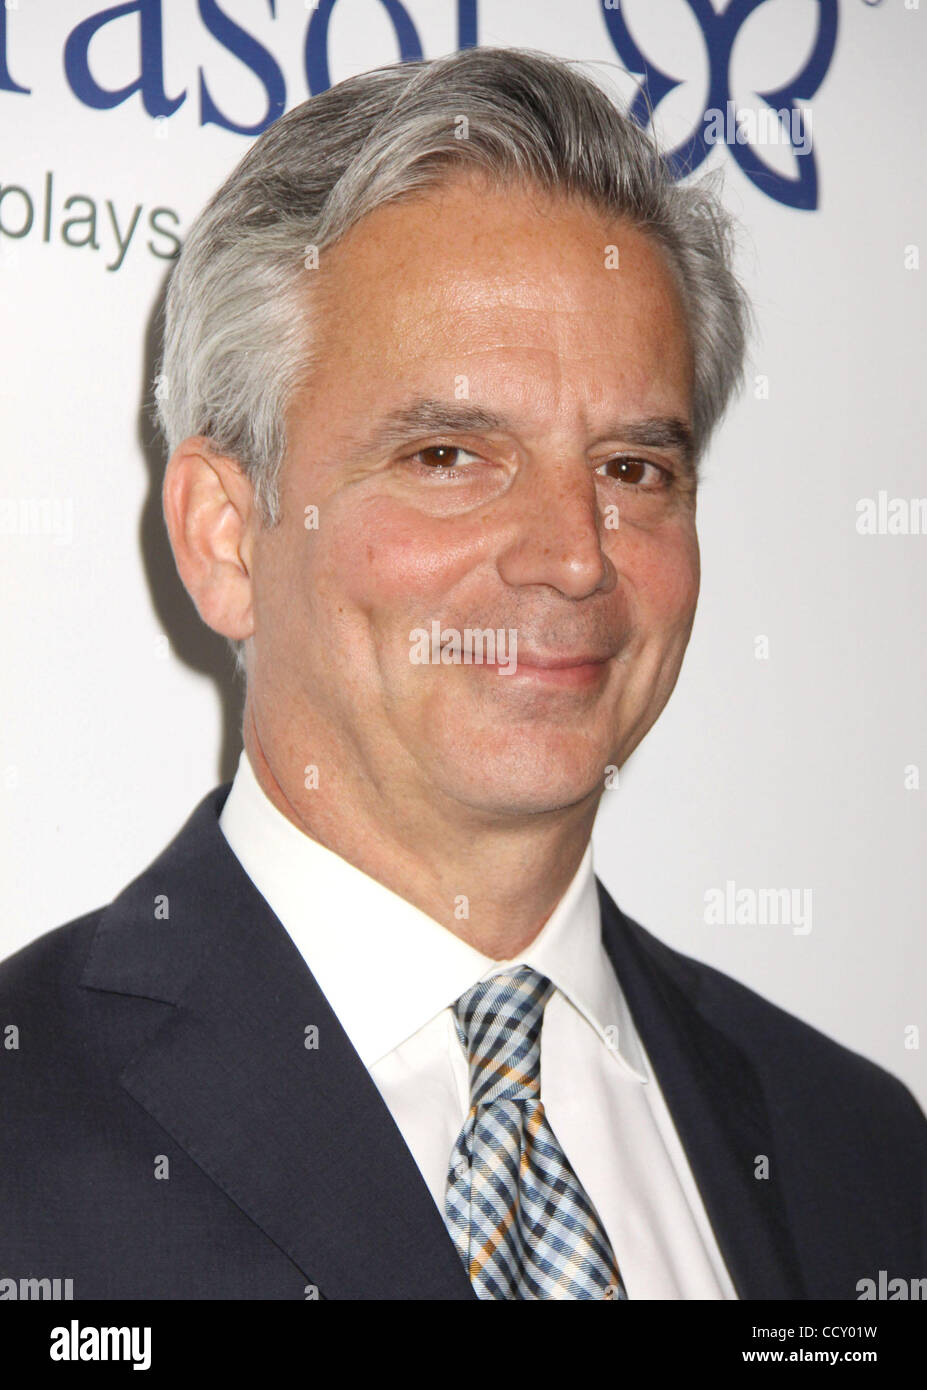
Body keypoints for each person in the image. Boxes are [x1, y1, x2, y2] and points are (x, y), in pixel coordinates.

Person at [1, 46, 923, 1302]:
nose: (574, 555)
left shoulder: (860, 1152)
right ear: (225, 536)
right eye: (447, 455)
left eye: (633, 469)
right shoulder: (23, 1130)